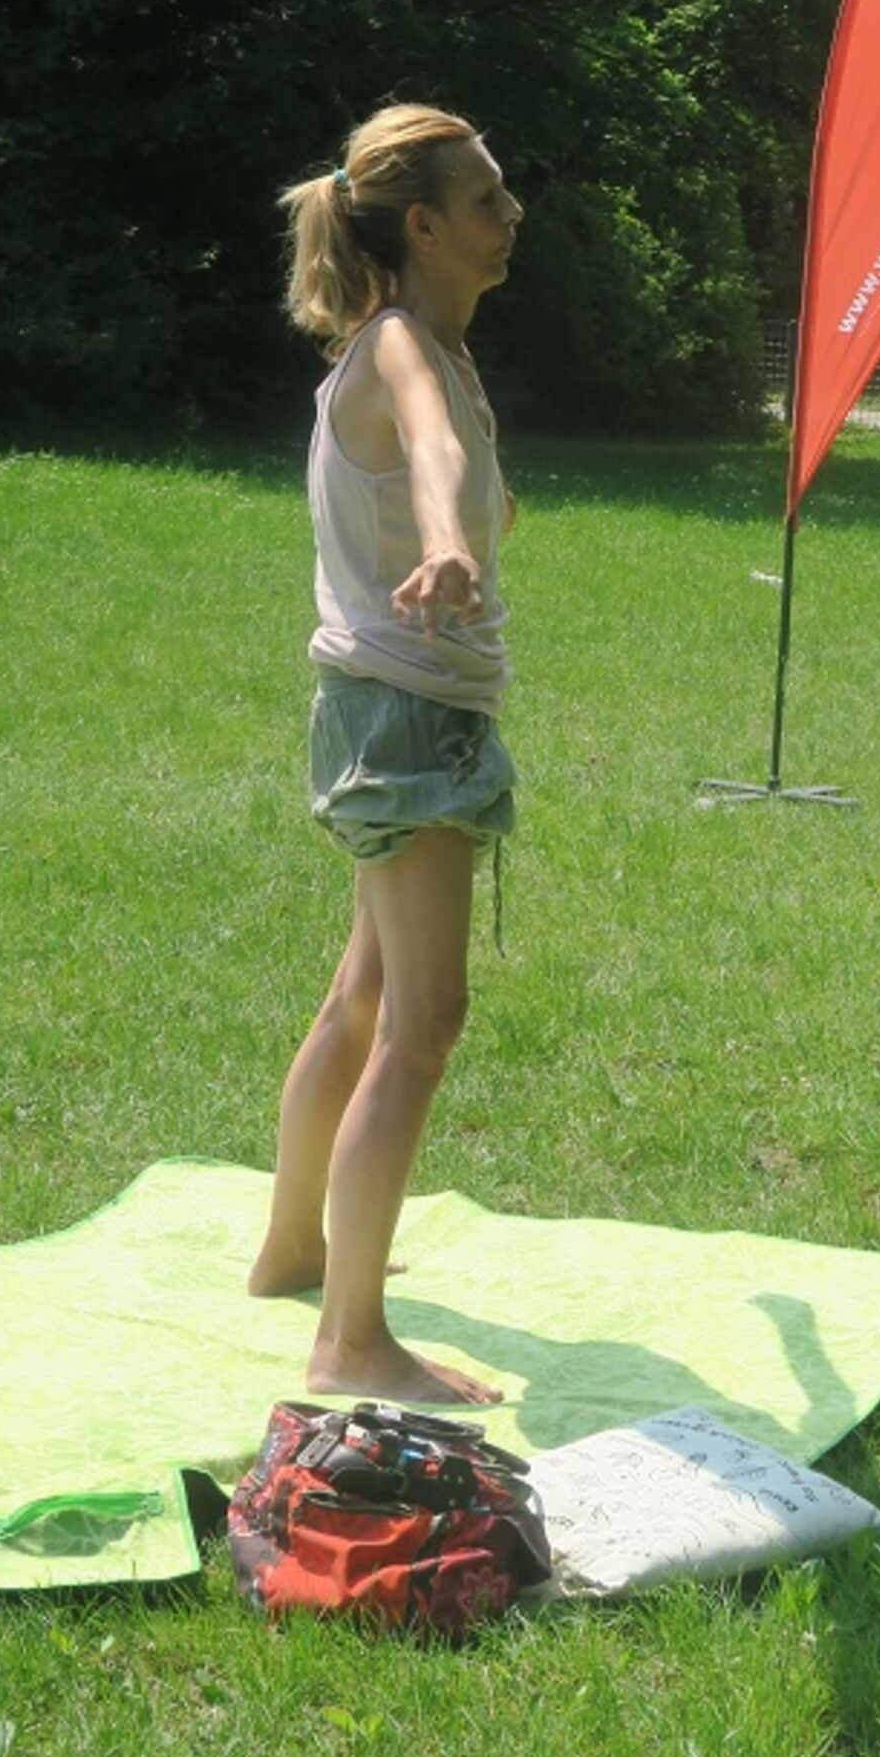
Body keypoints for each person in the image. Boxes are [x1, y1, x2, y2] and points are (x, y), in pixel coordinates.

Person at [249, 103, 523, 1407]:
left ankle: (294, 1250)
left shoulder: (425, 344)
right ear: (421, 228)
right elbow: (431, 450)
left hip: (384, 710)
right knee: (424, 1022)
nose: (509, 214)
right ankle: (351, 1340)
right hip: (404, 723)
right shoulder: (406, 349)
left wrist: (472, 525)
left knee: (363, 1002)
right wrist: (450, 534)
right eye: (485, 200)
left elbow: (452, 456)